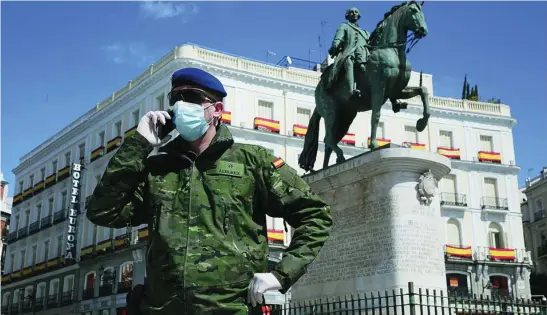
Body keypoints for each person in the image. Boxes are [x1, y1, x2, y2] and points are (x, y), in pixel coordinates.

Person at [86, 67, 333, 315]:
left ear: (216, 110)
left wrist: (282, 273)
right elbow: (102, 212)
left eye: (193, 99)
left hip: (231, 309)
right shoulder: (157, 168)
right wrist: (138, 145)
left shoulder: (251, 162)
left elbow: (315, 215)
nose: (182, 106)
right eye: (176, 100)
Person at [325, 7, 370, 98]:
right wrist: (335, 45)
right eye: (351, 12)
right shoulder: (344, 26)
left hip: (365, 54)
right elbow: (338, 38)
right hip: (350, 52)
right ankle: (351, 90)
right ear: (347, 16)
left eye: (356, 12)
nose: (354, 13)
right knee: (349, 62)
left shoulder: (366, 32)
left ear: (359, 15)